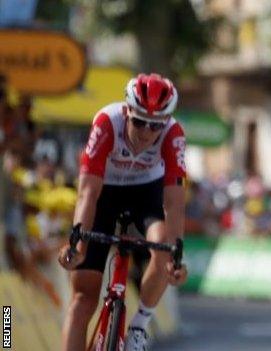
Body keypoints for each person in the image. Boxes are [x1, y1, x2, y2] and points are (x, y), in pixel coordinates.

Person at [57, 73, 189, 351]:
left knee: (164, 245)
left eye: (155, 126)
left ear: (165, 122)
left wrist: (176, 257)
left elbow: (175, 203)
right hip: (104, 193)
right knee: (83, 297)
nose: (145, 132)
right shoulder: (107, 122)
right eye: (139, 121)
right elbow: (87, 193)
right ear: (126, 111)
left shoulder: (174, 134)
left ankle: (140, 325)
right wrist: (77, 243)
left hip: (145, 193)